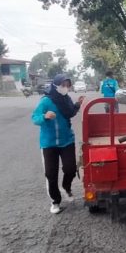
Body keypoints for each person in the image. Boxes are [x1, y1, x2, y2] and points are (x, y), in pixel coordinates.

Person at [31, 74, 85, 214]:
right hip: (49, 144)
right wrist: (44, 116)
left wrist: (77, 104)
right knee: (51, 174)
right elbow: (34, 118)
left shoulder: (66, 99)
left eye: (67, 85)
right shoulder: (46, 101)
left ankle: (66, 187)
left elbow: (70, 112)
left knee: (70, 168)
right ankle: (55, 201)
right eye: (63, 85)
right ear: (55, 85)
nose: (65, 88)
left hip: (66, 140)